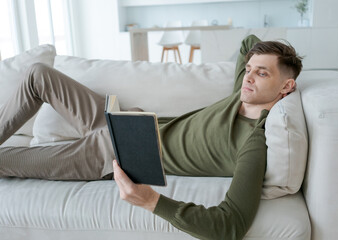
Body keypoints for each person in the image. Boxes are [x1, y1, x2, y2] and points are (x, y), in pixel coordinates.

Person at [0, 35, 302, 239]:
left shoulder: (253, 144)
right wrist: (267, 60)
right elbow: (248, 42)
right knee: (38, 73)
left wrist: (151, 201)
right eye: (249, 69)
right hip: (128, 119)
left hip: (116, 155)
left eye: (262, 73)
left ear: (286, 87)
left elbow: (231, 224)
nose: (248, 77)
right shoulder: (244, 91)